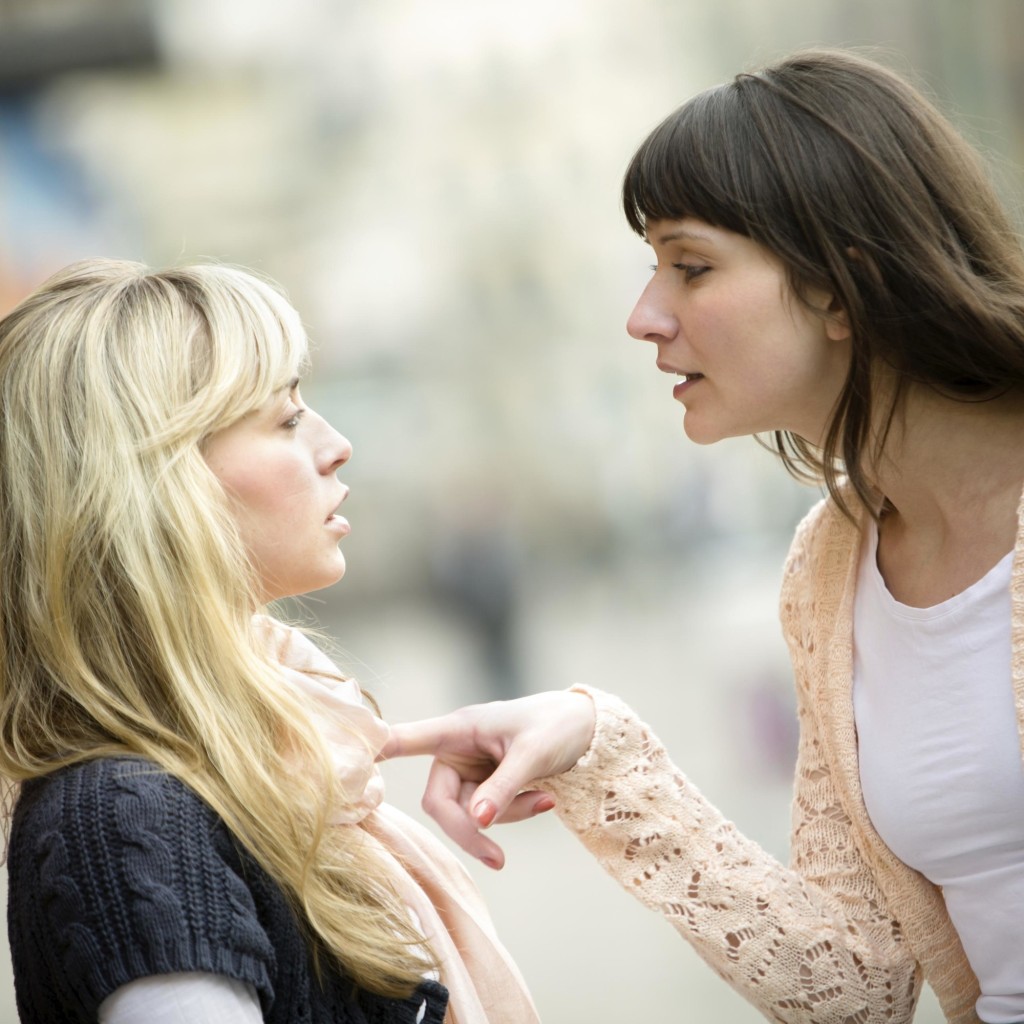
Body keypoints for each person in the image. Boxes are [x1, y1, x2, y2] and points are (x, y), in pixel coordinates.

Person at [383, 48, 1024, 1024]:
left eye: (690, 267)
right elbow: (854, 984)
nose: (643, 318)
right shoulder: (830, 568)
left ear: (840, 287)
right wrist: (598, 753)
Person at [0, 259, 539, 1024]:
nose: (337, 444)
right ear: (156, 485)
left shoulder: (265, 753)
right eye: (286, 419)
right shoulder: (128, 822)